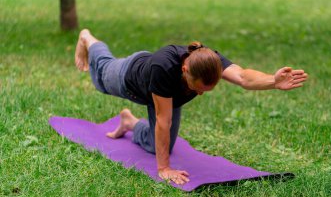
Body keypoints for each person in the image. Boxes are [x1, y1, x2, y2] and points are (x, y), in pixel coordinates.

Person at [75, 29, 308, 185]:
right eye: (197, 89)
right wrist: (164, 169)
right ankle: (88, 39)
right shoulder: (164, 68)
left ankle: (129, 122)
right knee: (100, 77)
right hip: (129, 77)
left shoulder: (208, 61)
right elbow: (163, 121)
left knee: (155, 146)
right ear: (185, 71)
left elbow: (244, 77)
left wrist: (273, 81)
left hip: (165, 96)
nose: (199, 94)